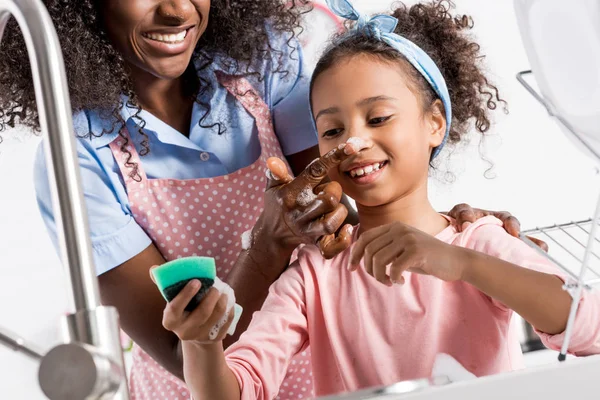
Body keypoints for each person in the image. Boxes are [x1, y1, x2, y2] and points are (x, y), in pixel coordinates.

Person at [0, 1, 538, 399]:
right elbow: (177, 349)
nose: (176, 10)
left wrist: (450, 231)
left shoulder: (263, 64)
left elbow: (354, 196)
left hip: (327, 369)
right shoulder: (77, 159)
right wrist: (267, 248)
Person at [160, 1, 600, 399]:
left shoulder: (479, 242)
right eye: (332, 130)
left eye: (378, 118)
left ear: (434, 123)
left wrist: (459, 263)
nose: (353, 142)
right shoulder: (315, 275)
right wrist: (201, 343)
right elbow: (237, 393)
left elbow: (587, 330)